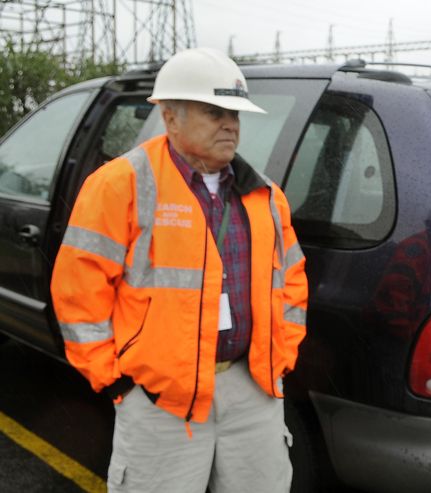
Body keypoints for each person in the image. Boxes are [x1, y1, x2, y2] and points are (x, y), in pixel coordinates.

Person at [50, 47, 307, 492]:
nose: (230, 123)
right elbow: (78, 293)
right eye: (214, 112)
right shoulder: (121, 184)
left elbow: (292, 284)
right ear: (170, 118)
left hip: (252, 393)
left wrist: (279, 363)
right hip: (159, 401)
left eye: (235, 113)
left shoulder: (265, 196)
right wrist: (118, 384)